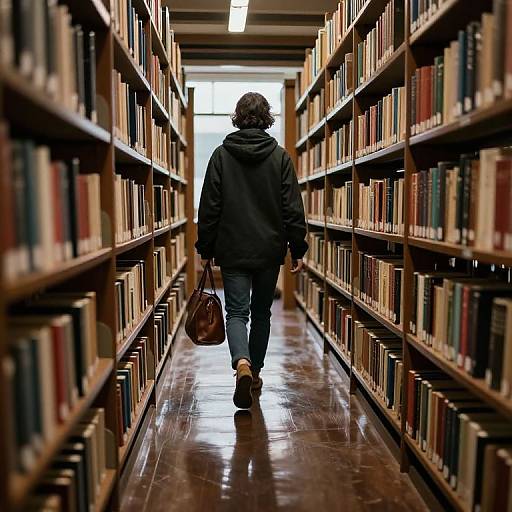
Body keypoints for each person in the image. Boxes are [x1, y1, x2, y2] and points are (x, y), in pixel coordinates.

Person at [195, 91, 308, 409]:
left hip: (231, 249)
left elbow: (210, 206)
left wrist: (205, 245)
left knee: (236, 312)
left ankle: (241, 364)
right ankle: (255, 372)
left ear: (237, 116)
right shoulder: (280, 157)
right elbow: (292, 208)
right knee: (261, 314)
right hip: (269, 250)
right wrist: (297, 248)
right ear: (267, 117)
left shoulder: (220, 155)